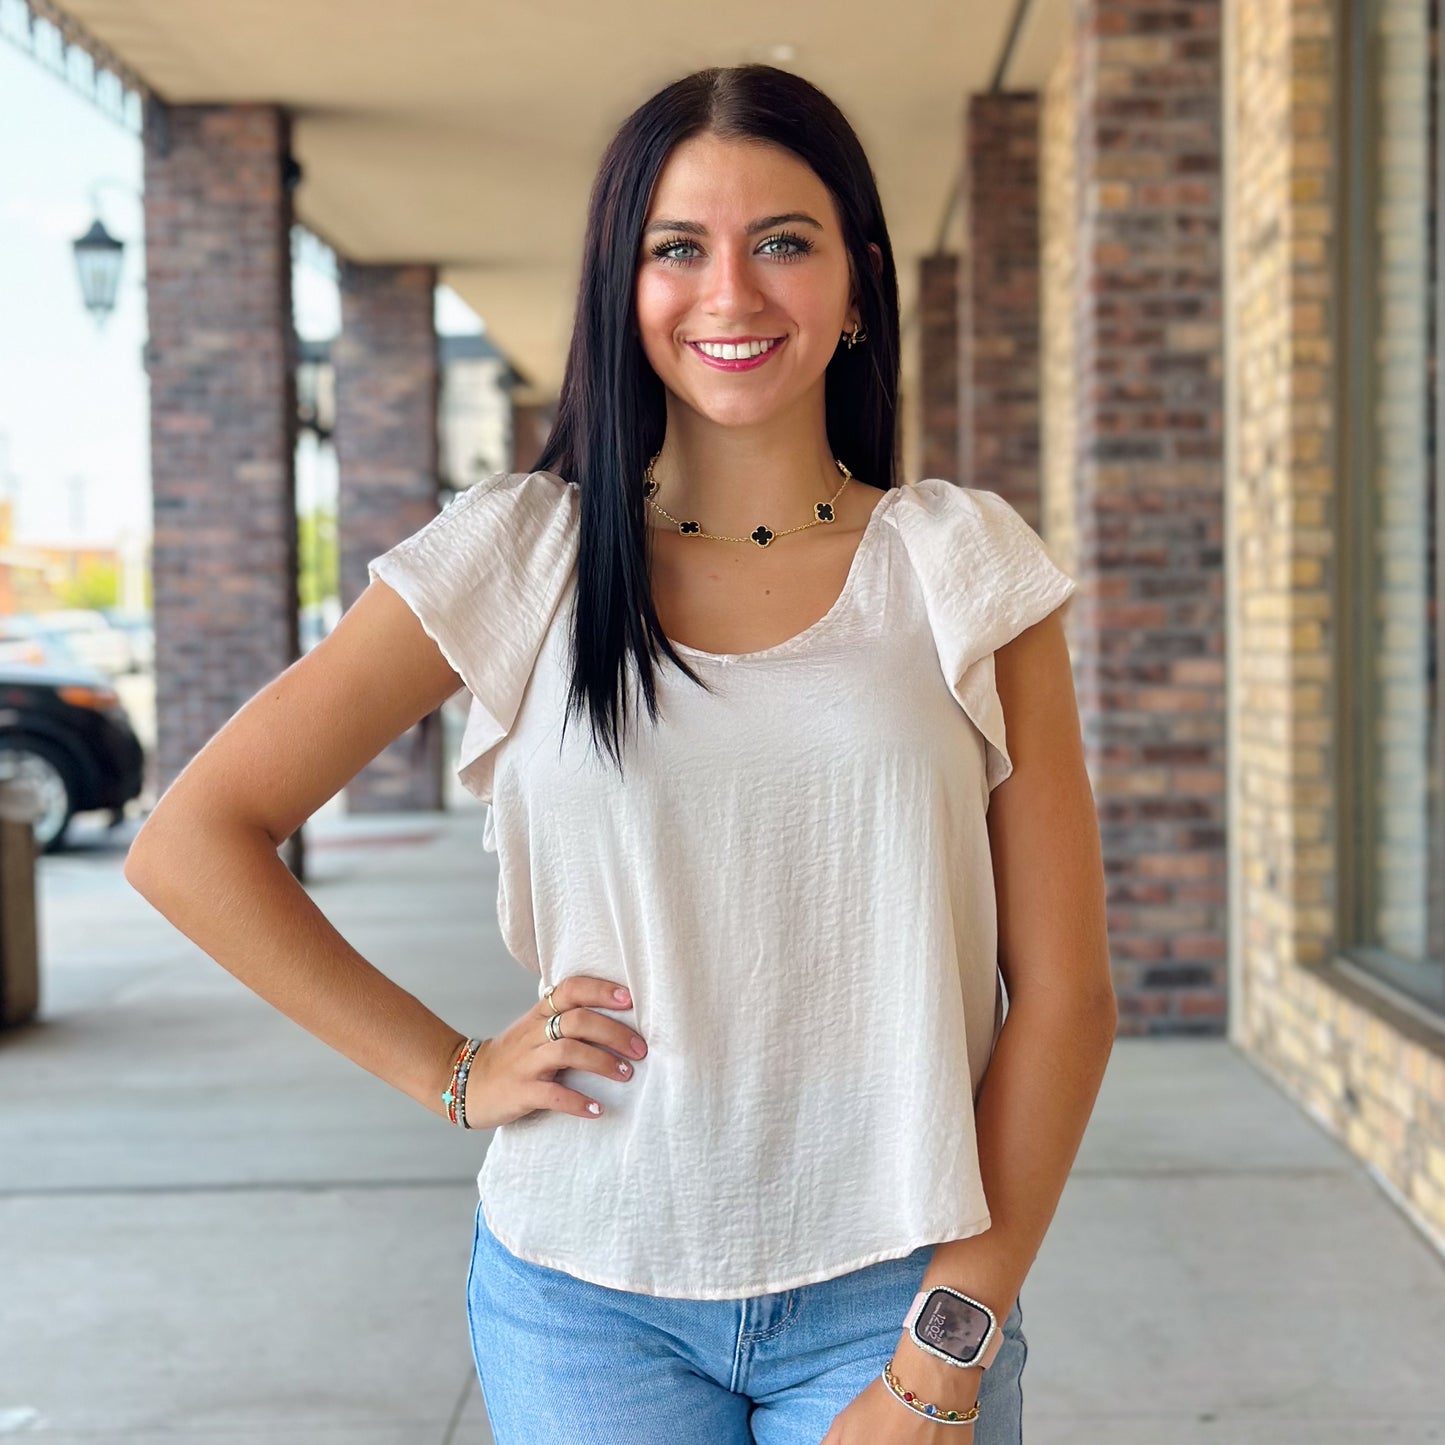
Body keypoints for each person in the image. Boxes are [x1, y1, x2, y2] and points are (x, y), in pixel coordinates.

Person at [124, 63, 1116, 1445]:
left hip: (893, 1282)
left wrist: (945, 1348)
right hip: (583, 1293)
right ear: (620, 284)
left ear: (856, 282)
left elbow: (1065, 995)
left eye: (782, 240)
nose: (731, 292)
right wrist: (448, 1068)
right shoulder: (520, 553)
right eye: (675, 248)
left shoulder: (960, 565)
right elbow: (194, 837)